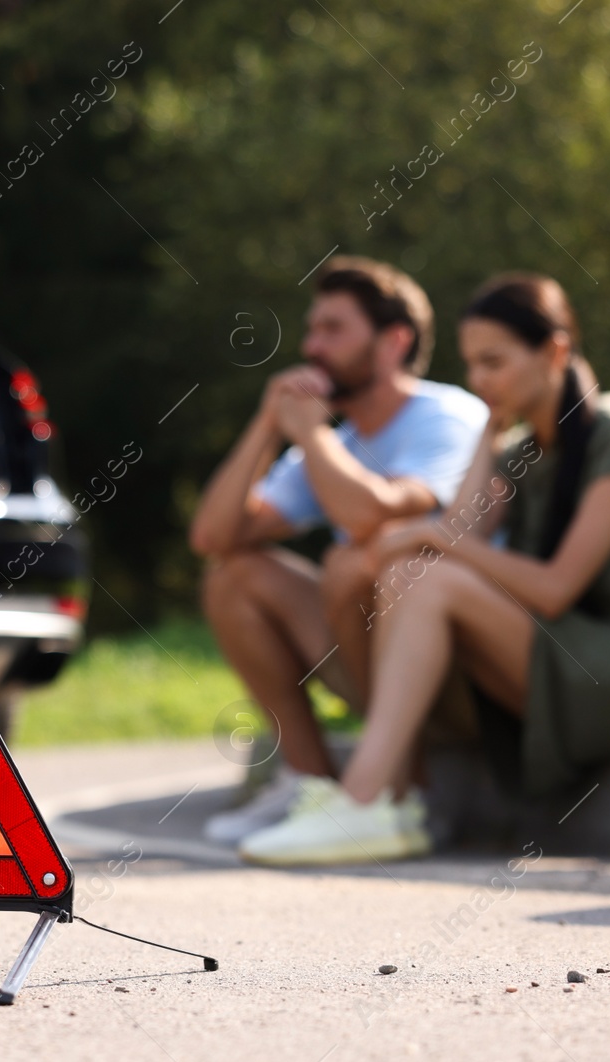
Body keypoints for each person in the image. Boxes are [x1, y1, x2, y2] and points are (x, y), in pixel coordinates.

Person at [237, 272, 610, 866]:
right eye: (472, 366)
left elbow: (554, 589)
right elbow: (462, 528)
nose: (480, 380)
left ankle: (364, 800)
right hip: (575, 663)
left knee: (425, 573)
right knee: (405, 571)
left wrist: (434, 536)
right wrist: (489, 430)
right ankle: (386, 800)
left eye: (495, 362)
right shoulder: (521, 453)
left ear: (555, 352)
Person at [189, 257, 488, 846]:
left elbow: (369, 515)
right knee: (234, 577)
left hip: (463, 671)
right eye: (312, 329)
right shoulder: (333, 442)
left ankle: (396, 789)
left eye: (333, 329)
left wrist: (310, 434)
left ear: (393, 342)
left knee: (357, 560)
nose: (312, 346)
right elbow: (212, 538)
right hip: (374, 656)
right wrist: (268, 425)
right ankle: (314, 786)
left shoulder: (446, 414)